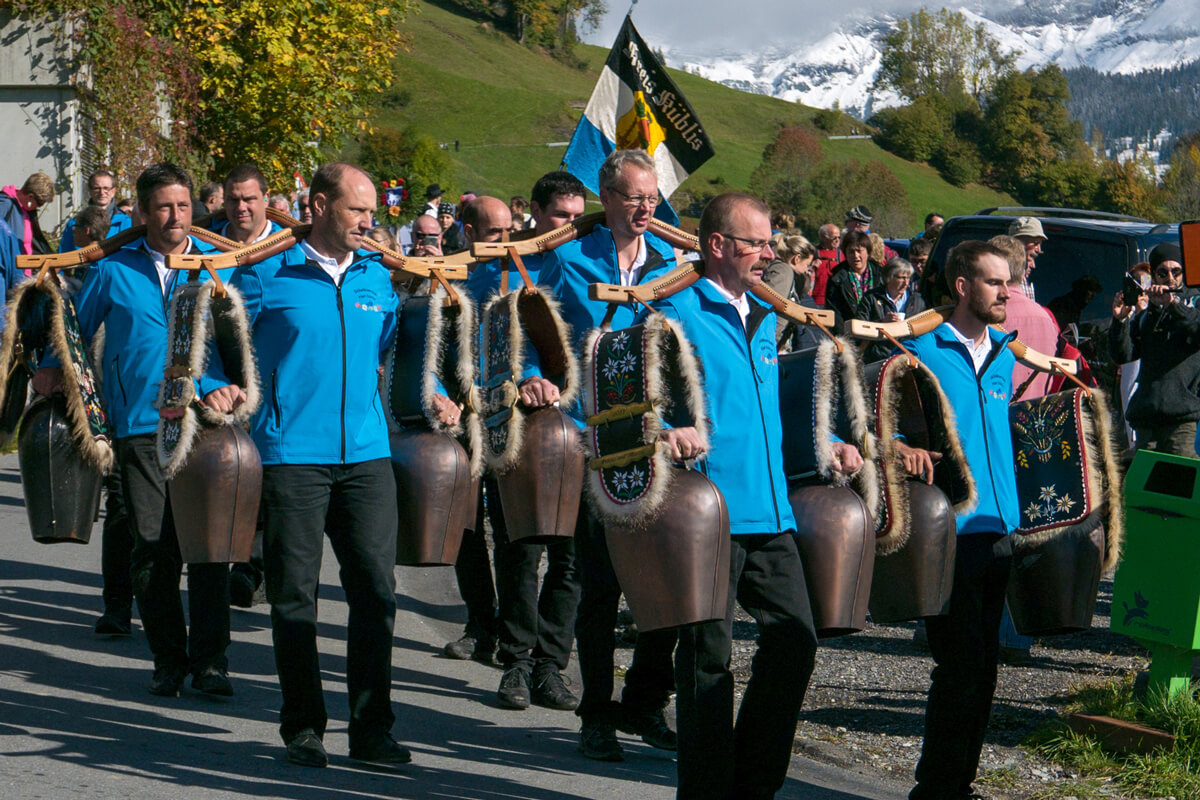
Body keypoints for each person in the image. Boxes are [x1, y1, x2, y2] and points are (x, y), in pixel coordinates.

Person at [204, 162, 420, 768]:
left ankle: (372, 727)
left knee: (377, 594)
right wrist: (210, 385)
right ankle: (303, 724)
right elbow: (204, 341)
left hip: (368, 458)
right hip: (291, 455)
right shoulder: (266, 273)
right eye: (358, 210)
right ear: (320, 206)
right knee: (296, 598)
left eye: (373, 212)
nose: (369, 222)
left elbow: (390, 356)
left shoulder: (379, 278)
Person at [649, 192, 862, 800]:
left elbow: (784, 408)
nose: (769, 254)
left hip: (771, 515)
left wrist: (833, 442)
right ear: (718, 246)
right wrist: (663, 431)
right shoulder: (670, 313)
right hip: (704, 515)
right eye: (757, 244)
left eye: (770, 243)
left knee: (796, 642)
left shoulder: (769, 313)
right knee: (706, 663)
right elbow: (623, 399)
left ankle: (753, 784)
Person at [31, 162, 237, 697]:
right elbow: (71, 325)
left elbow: (242, 341)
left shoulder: (218, 266)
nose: (176, 217)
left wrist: (218, 382)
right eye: (164, 207)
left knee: (211, 548)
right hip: (141, 426)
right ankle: (169, 658)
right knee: (153, 546)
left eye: (184, 206)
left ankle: (212, 661)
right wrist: (54, 364)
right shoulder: (114, 268)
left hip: (207, 424)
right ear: (142, 212)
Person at [538, 149, 679, 762]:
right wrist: (530, 379)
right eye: (632, 197)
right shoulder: (566, 259)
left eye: (652, 198)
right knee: (598, 586)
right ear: (606, 196)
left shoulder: (673, 264)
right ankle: (596, 712)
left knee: (669, 582)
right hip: (590, 436)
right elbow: (529, 330)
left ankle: (645, 701)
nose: (645, 208)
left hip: (657, 439)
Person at [895, 240, 1020, 800]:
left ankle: (958, 782)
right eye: (995, 282)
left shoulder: (1007, 355)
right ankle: (937, 785)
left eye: (1009, 281)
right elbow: (884, 421)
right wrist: (900, 450)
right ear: (963, 286)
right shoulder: (920, 350)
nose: (1007, 292)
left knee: (985, 664)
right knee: (960, 663)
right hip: (950, 529)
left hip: (1002, 529)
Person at [462, 174, 587, 713]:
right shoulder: (500, 267)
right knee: (520, 544)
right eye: (561, 214)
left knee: (571, 556)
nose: (571, 225)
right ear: (533, 211)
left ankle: (550, 666)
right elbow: (493, 335)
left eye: (579, 214)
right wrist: (530, 374)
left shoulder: (587, 264)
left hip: (584, 425)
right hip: (524, 423)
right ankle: (514, 658)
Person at [442, 196, 512, 667]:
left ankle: (512, 629)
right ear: (468, 233)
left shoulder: (521, 274)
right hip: (463, 418)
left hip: (507, 417)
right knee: (468, 526)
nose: (503, 244)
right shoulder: (449, 276)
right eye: (493, 235)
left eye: (509, 233)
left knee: (510, 527)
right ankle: (479, 622)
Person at [1110, 242, 1200, 458]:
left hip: (1181, 418)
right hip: (1147, 417)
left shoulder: (1193, 307)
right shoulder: (1146, 317)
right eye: (1163, 272)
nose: (1170, 277)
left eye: (1176, 271)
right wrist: (1120, 321)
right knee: (1148, 487)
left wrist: (1173, 304)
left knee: (1182, 481)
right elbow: (1123, 355)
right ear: (1154, 277)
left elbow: (1195, 332)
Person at [762, 232, 828, 351]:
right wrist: (770, 343)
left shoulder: (784, 271)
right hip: (767, 343)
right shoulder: (783, 272)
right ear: (797, 259)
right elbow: (773, 308)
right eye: (807, 265)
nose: (807, 271)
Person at [857, 257, 925, 361]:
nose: (906, 283)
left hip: (908, 357)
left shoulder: (917, 300)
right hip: (878, 358)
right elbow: (859, 328)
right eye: (902, 278)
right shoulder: (871, 298)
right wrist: (881, 323)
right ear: (889, 277)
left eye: (908, 278)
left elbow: (924, 330)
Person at [58, 169, 134, 252]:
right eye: (96, 188)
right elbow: (64, 255)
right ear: (89, 190)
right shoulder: (74, 223)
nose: (102, 192)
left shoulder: (126, 223)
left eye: (106, 188)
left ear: (113, 191)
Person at [824, 230, 880, 322]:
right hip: (848, 330)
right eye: (851, 251)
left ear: (868, 252)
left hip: (877, 330)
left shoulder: (880, 275)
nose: (855, 255)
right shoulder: (837, 278)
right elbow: (834, 311)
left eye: (859, 251)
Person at [0, 172, 54, 255]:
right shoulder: (5, 204)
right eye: (40, 203)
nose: (39, 207)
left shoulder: (27, 211)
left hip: (23, 266)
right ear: (30, 197)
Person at [1007, 216, 1047, 301]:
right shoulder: (1004, 276)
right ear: (1017, 242)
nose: (1039, 250)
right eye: (1035, 243)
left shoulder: (1027, 277)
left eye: (1040, 244)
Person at [811, 223, 840, 306]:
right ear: (824, 237)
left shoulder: (842, 255)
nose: (837, 240)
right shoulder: (814, 253)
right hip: (816, 300)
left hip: (836, 300)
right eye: (834, 237)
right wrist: (812, 267)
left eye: (839, 237)